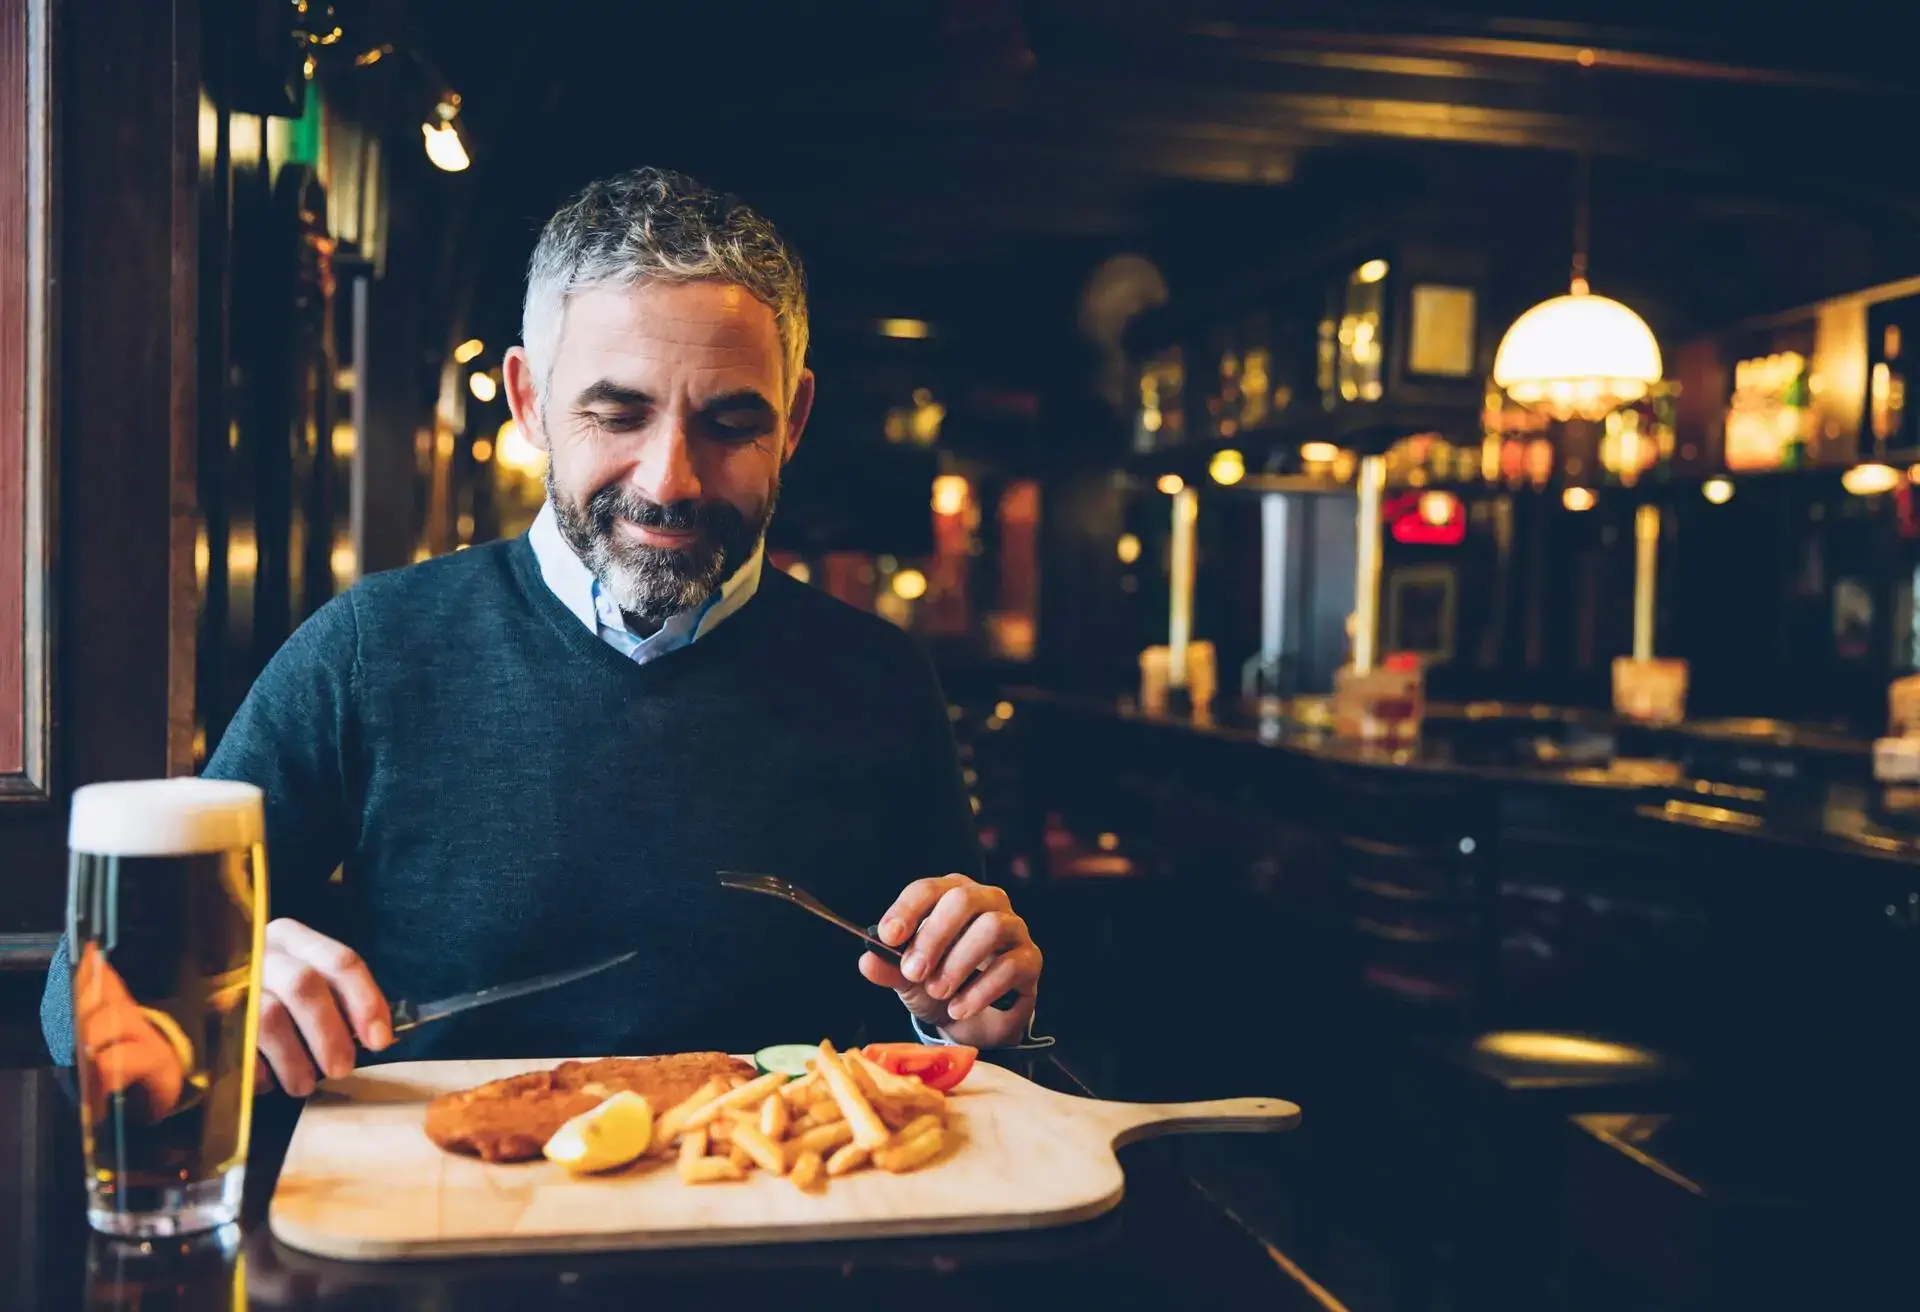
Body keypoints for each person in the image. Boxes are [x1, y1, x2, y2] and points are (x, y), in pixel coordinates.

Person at [42, 167, 1044, 1096]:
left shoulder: (878, 676)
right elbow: (82, 1002)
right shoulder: (369, 648)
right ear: (529, 402)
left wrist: (971, 1007)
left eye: (732, 424)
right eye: (617, 415)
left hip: (783, 1233)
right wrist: (209, 998)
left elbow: (960, 1028)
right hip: (441, 1231)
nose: (670, 481)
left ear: (795, 419)